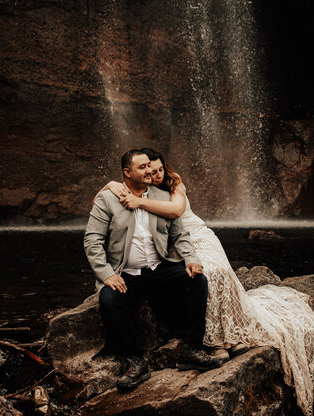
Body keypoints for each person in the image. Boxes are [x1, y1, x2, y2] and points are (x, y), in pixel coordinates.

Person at [98, 148, 314, 415]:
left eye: (157, 169)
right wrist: (107, 271)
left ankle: (212, 340)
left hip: (191, 240)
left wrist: (186, 254)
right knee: (120, 296)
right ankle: (154, 355)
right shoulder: (130, 192)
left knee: (207, 275)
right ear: (135, 173)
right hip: (158, 257)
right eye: (148, 170)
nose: (153, 173)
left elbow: (176, 216)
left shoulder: (169, 188)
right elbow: (96, 237)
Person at [84, 149, 224, 392]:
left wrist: (191, 259)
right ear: (127, 173)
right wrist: (107, 274)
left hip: (159, 268)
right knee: (109, 301)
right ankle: (135, 361)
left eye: (150, 165)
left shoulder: (161, 196)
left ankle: (190, 348)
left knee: (196, 280)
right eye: (142, 167)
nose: (149, 171)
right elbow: (92, 241)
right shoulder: (107, 200)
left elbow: (180, 235)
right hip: (126, 273)